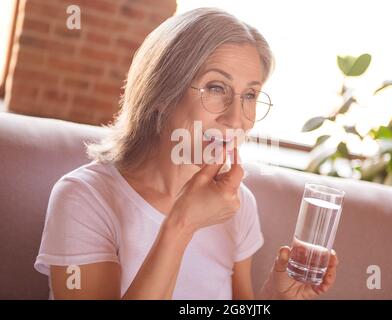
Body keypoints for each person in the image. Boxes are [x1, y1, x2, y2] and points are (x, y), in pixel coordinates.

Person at [34, 7, 338, 300]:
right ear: (162, 95)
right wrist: (182, 224)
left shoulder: (238, 204)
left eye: (249, 95)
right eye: (217, 87)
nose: (237, 119)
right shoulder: (84, 197)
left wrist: (276, 296)